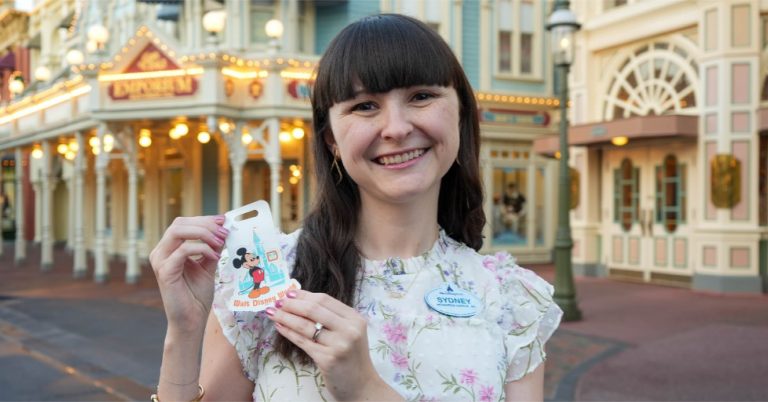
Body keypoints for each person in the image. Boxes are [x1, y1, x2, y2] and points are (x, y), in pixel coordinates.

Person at [149, 14, 562, 402]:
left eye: (421, 96)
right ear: (331, 140)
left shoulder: (512, 300)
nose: (397, 128)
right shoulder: (267, 282)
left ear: (460, 116)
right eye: (365, 106)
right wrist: (183, 333)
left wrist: (366, 389)